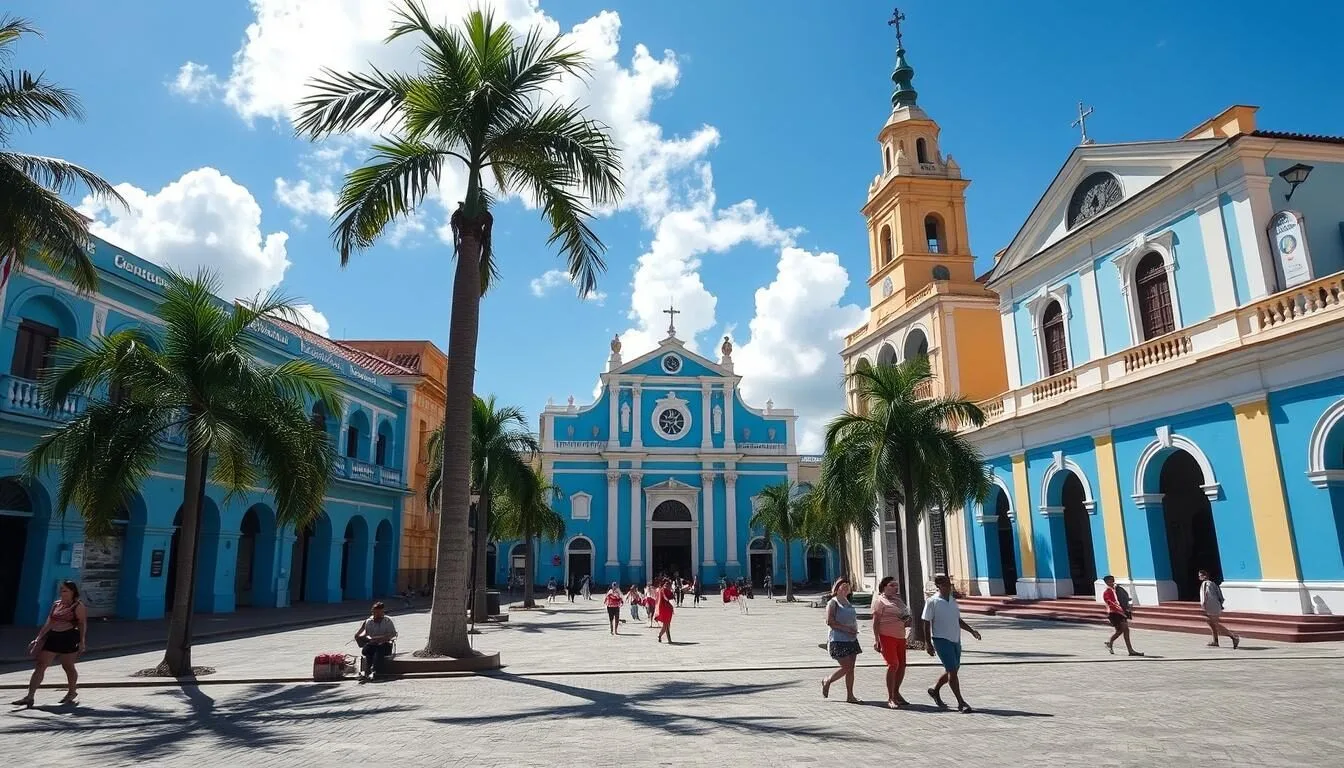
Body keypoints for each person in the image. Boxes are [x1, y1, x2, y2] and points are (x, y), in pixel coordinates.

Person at [12, 580, 86, 707]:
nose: (62, 593)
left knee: (68, 666)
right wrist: (38, 638)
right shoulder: (56, 604)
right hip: (53, 637)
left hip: (69, 637)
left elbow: (82, 623)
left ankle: (72, 692)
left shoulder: (78, 606)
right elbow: (49, 622)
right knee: (41, 665)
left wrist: (82, 641)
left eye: (65, 590)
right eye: (61, 590)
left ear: (72, 592)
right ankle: (30, 696)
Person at [923, 574, 981, 713]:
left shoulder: (952, 600)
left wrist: (971, 631)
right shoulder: (932, 601)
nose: (949, 587)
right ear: (939, 586)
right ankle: (961, 702)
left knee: (953, 669)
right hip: (941, 639)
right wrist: (927, 643)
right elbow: (925, 622)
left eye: (949, 584)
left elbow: (957, 620)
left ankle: (935, 690)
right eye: (945, 585)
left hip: (955, 639)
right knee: (952, 671)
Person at [871, 576, 911, 708]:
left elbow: (905, 615)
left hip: (900, 636)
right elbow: (876, 622)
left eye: (896, 585)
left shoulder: (898, 600)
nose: (895, 587)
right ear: (884, 587)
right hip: (886, 636)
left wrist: (907, 620)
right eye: (892, 585)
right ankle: (891, 697)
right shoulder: (880, 601)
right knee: (893, 664)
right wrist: (877, 639)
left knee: (902, 665)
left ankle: (896, 691)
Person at [821, 577, 861, 703]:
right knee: (847, 667)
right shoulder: (833, 603)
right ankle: (828, 680)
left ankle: (850, 695)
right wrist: (846, 629)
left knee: (851, 668)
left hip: (852, 639)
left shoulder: (847, 602)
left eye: (847, 586)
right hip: (837, 640)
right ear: (836, 588)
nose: (845, 587)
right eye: (842, 585)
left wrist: (854, 629)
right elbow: (830, 621)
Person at [354, 601, 398, 681]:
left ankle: (373, 670)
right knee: (368, 651)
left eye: (379, 612)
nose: (377, 615)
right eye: (375, 613)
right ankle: (368, 671)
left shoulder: (387, 621)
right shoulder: (368, 621)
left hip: (385, 644)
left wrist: (382, 638)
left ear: (382, 612)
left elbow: (392, 634)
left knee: (378, 650)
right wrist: (366, 638)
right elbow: (367, 634)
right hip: (372, 644)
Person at [1101, 575, 1143, 656]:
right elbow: (1111, 603)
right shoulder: (1107, 591)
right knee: (1125, 630)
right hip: (1114, 613)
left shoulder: (1116, 589)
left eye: (1113, 580)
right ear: (1106, 582)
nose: (1113, 582)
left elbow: (1121, 598)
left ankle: (1110, 642)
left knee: (1120, 631)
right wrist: (1121, 610)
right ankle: (1130, 650)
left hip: (1120, 612)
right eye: (1110, 581)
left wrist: (1126, 603)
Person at [1199, 569, 1240, 649]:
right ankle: (1215, 641)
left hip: (1210, 607)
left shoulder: (1205, 584)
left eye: (1200, 575)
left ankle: (1233, 637)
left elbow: (1206, 596)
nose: (1199, 577)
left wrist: (1204, 607)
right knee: (1211, 624)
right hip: (1215, 606)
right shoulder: (1213, 583)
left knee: (1215, 624)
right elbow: (1219, 596)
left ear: (1204, 576)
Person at [655, 579, 676, 643]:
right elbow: (664, 596)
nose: (668, 585)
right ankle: (669, 640)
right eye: (667, 584)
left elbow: (672, 597)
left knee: (666, 625)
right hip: (664, 609)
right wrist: (667, 599)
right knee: (666, 624)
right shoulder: (662, 589)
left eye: (669, 584)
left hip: (668, 609)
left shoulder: (669, 590)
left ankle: (659, 635)